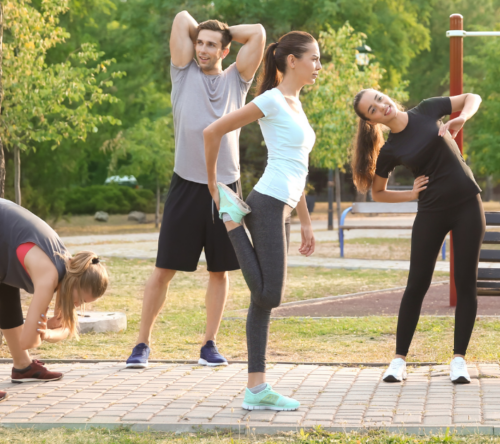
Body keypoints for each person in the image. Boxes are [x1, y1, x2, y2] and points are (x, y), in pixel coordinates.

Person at [125, 12, 265, 369]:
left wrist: (224, 32)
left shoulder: (237, 79)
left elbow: (259, 33)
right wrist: (209, 29)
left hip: (225, 187)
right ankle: (141, 345)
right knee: (163, 269)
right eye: (199, 42)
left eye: (211, 45)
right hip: (186, 185)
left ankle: (209, 344)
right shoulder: (182, 72)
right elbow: (181, 18)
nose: (202, 49)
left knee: (219, 271)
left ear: (225, 50)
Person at [204, 31, 319, 411]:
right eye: (314, 58)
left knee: (262, 301)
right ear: (292, 61)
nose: (318, 66)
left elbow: (298, 167)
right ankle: (231, 220)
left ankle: (256, 389)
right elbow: (213, 130)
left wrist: (304, 220)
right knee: (271, 295)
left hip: (283, 206)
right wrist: (213, 186)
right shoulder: (271, 99)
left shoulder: (297, 104)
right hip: (268, 203)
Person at [351, 89, 485, 385]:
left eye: (379, 98)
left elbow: (472, 97)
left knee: (465, 283)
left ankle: (459, 360)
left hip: (467, 206)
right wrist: (411, 194)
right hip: (431, 213)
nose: (381, 106)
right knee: (416, 285)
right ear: (372, 122)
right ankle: (398, 361)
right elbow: (378, 193)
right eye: (373, 109)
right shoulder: (391, 149)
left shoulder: (426, 109)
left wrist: (462, 117)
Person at [0, 194, 109, 402]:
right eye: (81, 300)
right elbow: (28, 340)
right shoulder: (49, 275)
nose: (77, 305)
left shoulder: (69, 268)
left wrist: (46, 331)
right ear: (75, 283)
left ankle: (23, 367)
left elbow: (68, 328)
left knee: (9, 292)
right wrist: (44, 331)